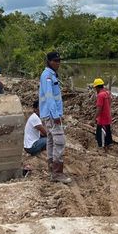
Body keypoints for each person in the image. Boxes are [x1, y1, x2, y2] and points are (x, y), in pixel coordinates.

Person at [39, 51, 71, 183]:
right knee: (59, 141)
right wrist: (55, 115)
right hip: (52, 115)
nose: (58, 63)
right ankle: (57, 173)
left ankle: (52, 170)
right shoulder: (47, 76)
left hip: (49, 114)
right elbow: (49, 97)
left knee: (51, 141)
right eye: (55, 61)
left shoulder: (50, 75)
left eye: (59, 61)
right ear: (49, 61)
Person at [92, 78, 113, 151]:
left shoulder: (100, 95)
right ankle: (108, 146)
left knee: (101, 136)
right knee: (107, 134)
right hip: (107, 117)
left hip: (102, 120)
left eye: (95, 88)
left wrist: (94, 119)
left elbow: (99, 109)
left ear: (97, 87)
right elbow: (110, 102)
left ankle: (102, 150)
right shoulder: (107, 93)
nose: (95, 90)